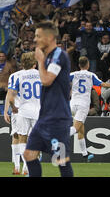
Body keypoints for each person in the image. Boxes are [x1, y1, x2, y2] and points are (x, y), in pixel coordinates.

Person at [24, 21, 74, 177]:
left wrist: (39, 61)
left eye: (38, 36)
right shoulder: (49, 58)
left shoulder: (58, 55)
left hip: (57, 118)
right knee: (29, 154)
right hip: (45, 117)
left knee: (61, 160)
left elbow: (47, 80)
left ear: (50, 37)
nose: (35, 39)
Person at [69, 56, 110, 161]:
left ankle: (85, 155)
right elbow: (103, 84)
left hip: (72, 104)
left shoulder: (73, 74)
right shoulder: (90, 75)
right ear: (88, 64)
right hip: (83, 105)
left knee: (81, 130)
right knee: (75, 128)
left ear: (79, 65)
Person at [5, 52, 40, 176]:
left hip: (22, 111)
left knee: (21, 138)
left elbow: (11, 96)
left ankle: (23, 167)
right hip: (38, 112)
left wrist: (12, 107)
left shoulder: (17, 76)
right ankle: (27, 168)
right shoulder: (41, 75)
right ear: (35, 64)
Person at [4, 69, 21, 175]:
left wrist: (6, 111)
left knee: (16, 137)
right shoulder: (39, 75)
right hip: (31, 111)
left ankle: (18, 167)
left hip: (18, 111)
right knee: (24, 137)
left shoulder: (15, 76)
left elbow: (9, 94)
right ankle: (22, 167)